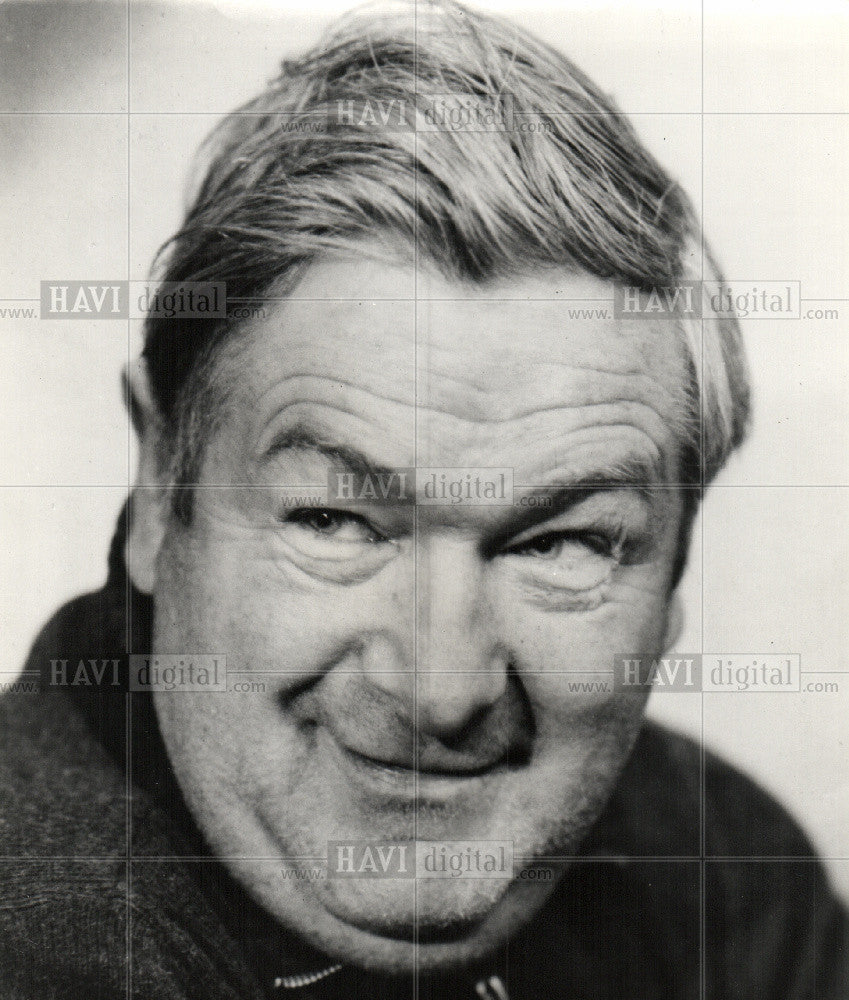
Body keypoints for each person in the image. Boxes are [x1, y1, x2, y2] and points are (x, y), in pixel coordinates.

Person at [1, 2, 846, 997]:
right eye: (336, 521)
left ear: (674, 580)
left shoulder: (730, 885)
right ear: (157, 490)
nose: (441, 690)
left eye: (561, 544)